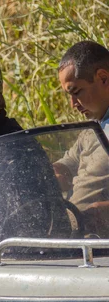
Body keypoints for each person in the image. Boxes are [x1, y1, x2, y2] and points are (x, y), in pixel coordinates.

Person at [53, 41, 109, 236]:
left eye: (76, 92)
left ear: (103, 78)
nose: (72, 104)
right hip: (74, 240)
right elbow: (68, 164)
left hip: (101, 249)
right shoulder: (92, 128)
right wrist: (51, 174)